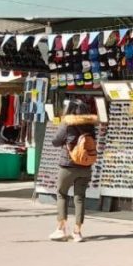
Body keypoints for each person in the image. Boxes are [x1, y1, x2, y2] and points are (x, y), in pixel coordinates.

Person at [49, 100, 99, 243]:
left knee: (62, 194)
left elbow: (56, 141)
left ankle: (61, 228)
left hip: (68, 166)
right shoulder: (90, 125)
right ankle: (77, 232)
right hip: (85, 166)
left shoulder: (67, 123)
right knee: (80, 197)